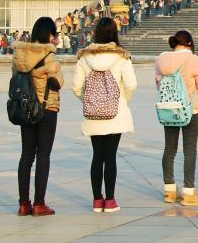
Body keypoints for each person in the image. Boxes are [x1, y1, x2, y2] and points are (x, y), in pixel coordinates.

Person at [72, 17, 137, 213]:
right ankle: (110, 200)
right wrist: (121, 100)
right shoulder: (122, 56)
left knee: (97, 156)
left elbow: (76, 87)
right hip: (115, 113)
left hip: (94, 115)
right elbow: (131, 84)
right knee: (111, 157)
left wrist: (91, 101)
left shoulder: (84, 58)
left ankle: (96, 200)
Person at [13, 17, 65, 217]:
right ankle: (39, 203)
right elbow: (58, 82)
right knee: (43, 155)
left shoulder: (20, 56)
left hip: (25, 109)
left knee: (26, 155)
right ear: (49, 35)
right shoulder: (49, 56)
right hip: (46, 109)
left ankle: (24, 203)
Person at [156, 30, 198, 206]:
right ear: (189, 43)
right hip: (190, 109)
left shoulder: (161, 59)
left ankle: (169, 191)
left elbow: (159, 84)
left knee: (169, 148)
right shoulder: (192, 59)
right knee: (189, 149)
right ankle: (188, 192)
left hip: (169, 109)